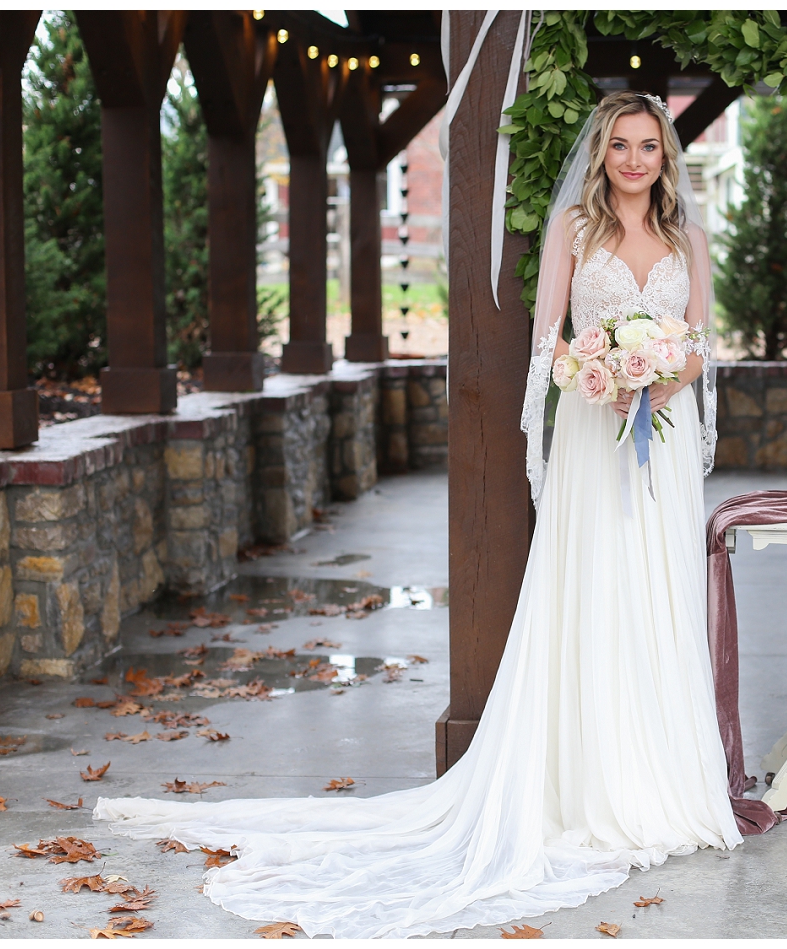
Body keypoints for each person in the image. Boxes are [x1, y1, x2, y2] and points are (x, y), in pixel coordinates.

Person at [93, 92, 750, 938]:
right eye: (620, 145)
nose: (633, 159)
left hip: (661, 434)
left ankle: (664, 785)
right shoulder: (573, 235)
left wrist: (657, 379)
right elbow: (549, 344)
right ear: (601, 155)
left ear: (666, 157)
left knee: (657, 598)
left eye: (648, 146)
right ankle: (591, 785)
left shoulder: (689, 240)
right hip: (595, 430)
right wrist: (606, 375)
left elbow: (698, 342)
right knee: (594, 594)